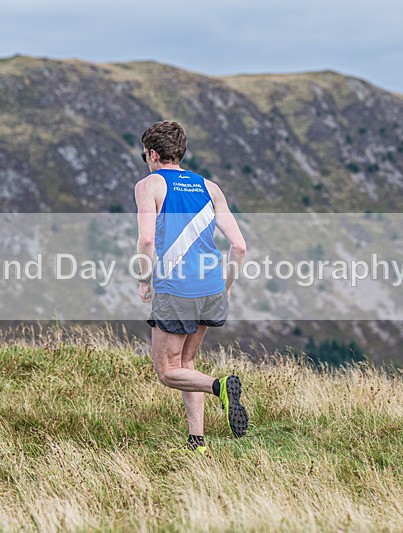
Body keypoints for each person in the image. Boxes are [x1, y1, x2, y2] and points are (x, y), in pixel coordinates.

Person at [133, 120, 248, 454]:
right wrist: (226, 287)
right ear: (179, 152)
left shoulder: (149, 185)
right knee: (187, 362)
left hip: (176, 287)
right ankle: (196, 441)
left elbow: (146, 239)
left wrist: (144, 279)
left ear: (153, 153)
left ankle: (220, 386)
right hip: (211, 287)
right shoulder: (209, 188)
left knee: (168, 371)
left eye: (145, 155)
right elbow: (239, 247)